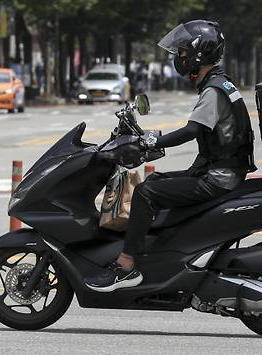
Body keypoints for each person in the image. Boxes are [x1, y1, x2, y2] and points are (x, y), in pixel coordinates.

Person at [84, 20, 255, 292]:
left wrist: (154, 142)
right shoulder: (222, 84)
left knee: (144, 194)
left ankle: (126, 266)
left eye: (183, 52)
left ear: (200, 54)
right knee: (153, 183)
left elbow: (192, 130)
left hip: (217, 177)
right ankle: (161, 256)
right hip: (221, 171)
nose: (179, 57)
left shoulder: (213, 90)